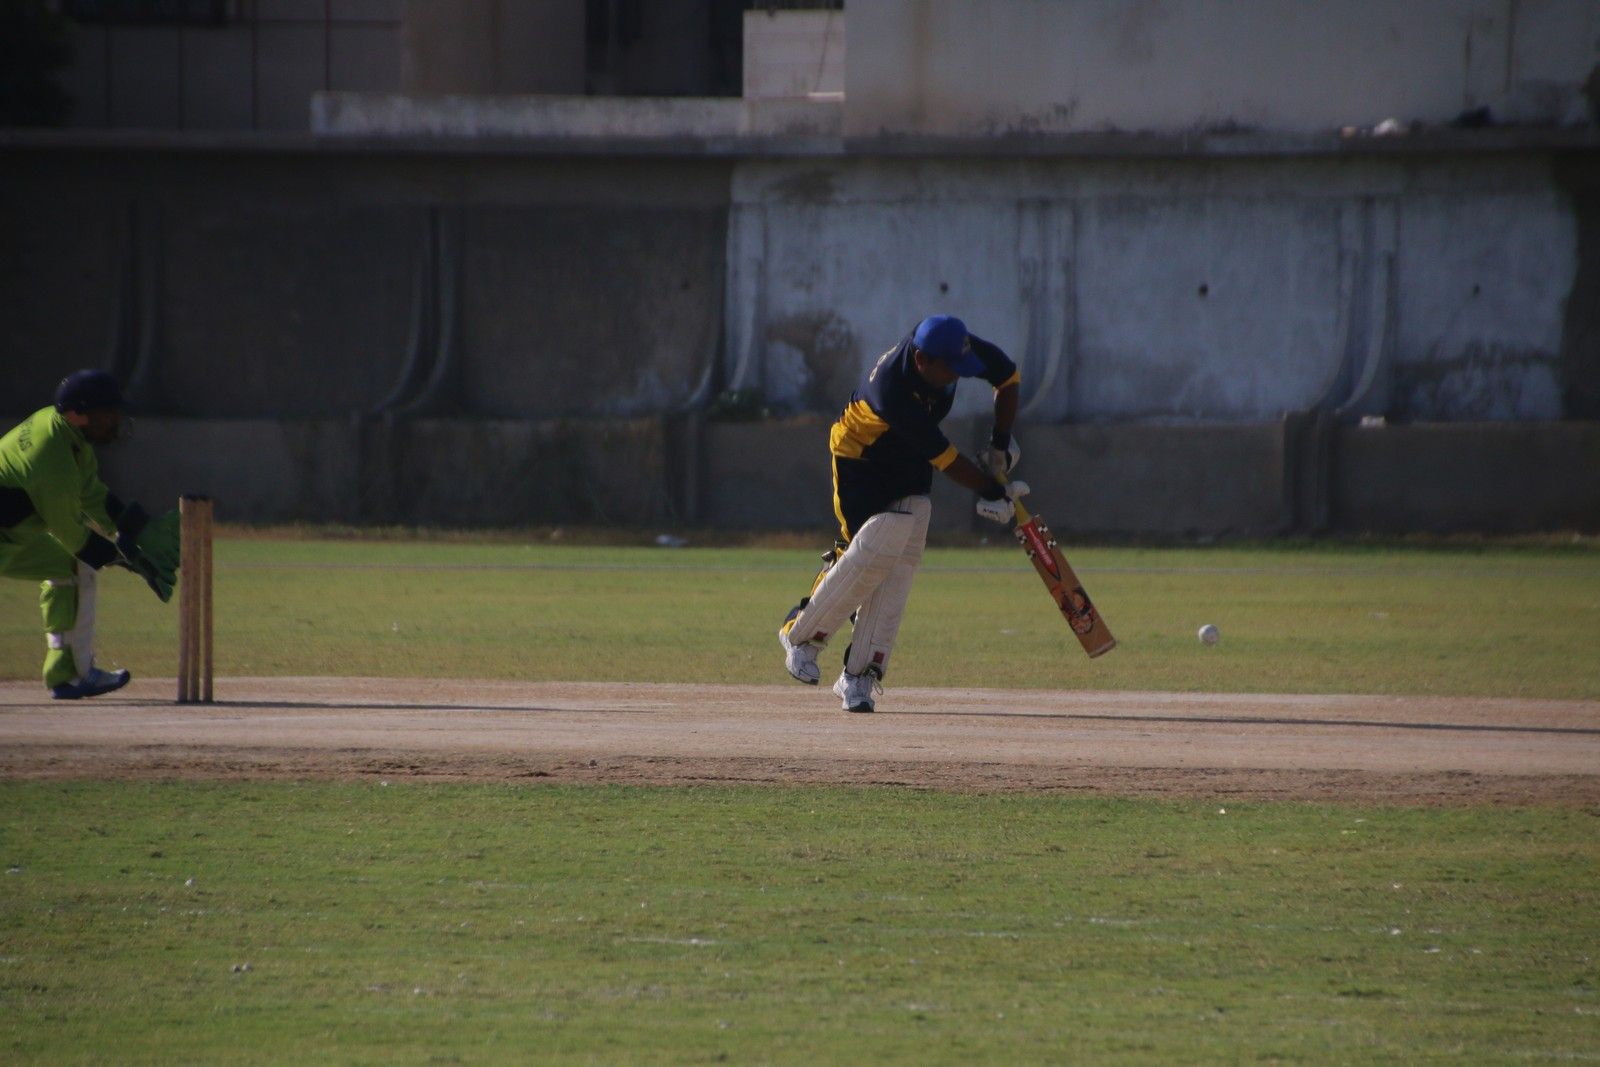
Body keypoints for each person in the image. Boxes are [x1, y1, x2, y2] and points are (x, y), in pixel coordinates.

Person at [777, 315, 1029, 712]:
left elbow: (1008, 377)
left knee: (907, 538)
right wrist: (993, 490)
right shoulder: (891, 388)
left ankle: (858, 677)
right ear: (922, 360)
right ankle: (800, 634)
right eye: (950, 369)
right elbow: (946, 459)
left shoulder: (953, 345)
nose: (957, 376)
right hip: (861, 458)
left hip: (907, 455)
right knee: (867, 550)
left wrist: (1000, 444)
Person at [0, 370, 179, 698]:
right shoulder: (51, 457)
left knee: (70, 567)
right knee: (77, 559)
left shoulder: (68, 435)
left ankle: (68, 673)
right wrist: (122, 558)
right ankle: (72, 673)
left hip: (11, 539)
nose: (115, 421)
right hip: (8, 538)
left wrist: (138, 531)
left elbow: (91, 494)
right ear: (78, 414)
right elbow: (69, 532)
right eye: (107, 414)